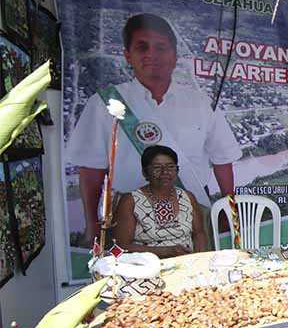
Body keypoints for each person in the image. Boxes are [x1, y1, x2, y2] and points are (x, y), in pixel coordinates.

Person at [65, 13, 241, 245]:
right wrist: (92, 225)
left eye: (161, 47)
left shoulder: (202, 103)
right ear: (128, 54)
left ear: (174, 55)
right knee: (131, 279)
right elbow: (91, 170)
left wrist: (231, 213)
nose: (151, 55)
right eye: (142, 47)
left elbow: (223, 160)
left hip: (193, 211)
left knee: (198, 276)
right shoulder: (105, 103)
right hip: (128, 215)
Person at [113, 145, 207, 258]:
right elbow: (120, 247)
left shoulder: (187, 197)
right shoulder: (130, 201)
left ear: (177, 170)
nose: (165, 173)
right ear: (145, 173)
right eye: (157, 168)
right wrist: (166, 251)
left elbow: (199, 234)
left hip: (186, 263)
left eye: (170, 167)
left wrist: (198, 257)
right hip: (145, 267)